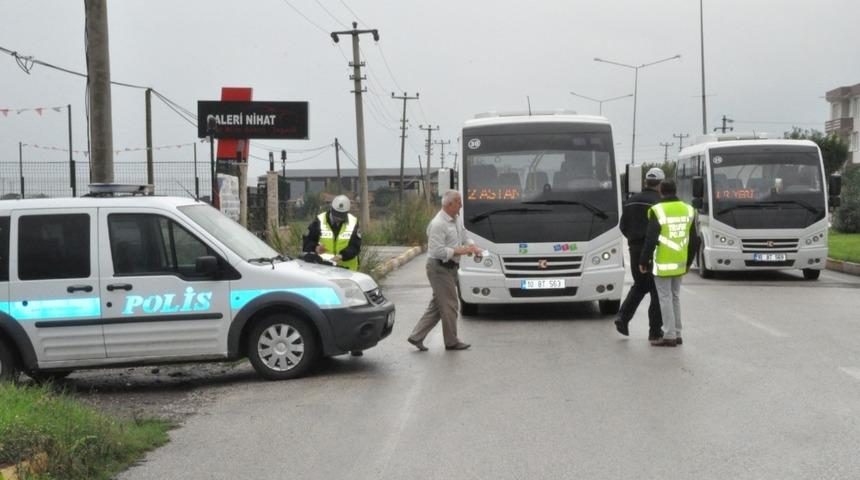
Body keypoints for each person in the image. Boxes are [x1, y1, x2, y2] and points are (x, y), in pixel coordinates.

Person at [408, 190, 481, 352]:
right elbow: (437, 251)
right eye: (458, 202)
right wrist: (459, 251)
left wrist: (472, 246)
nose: (461, 205)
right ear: (449, 204)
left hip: (451, 268)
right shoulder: (438, 224)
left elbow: (464, 235)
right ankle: (451, 341)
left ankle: (416, 336)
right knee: (450, 304)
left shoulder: (455, 219)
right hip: (438, 268)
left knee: (438, 305)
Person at [639, 180, 699, 347]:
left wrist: (643, 260)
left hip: (663, 262)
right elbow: (695, 239)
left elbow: (650, 239)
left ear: (660, 191)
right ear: (675, 190)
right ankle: (678, 333)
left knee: (664, 298)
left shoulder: (658, 210)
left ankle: (669, 335)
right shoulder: (688, 209)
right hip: (680, 262)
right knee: (675, 297)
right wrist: (689, 262)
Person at [615, 167, 664, 340]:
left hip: (634, 250)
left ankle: (622, 317)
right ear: (660, 184)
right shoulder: (660, 203)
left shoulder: (631, 200)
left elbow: (622, 225)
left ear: (646, 182)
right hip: (653, 251)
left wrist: (632, 240)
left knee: (640, 285)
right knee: (657, 291)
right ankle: (655, 331)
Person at [302, 194, 362, 271]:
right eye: (336, 214)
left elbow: (355, 246)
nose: (338, 218)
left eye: (341, 215)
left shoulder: (353, 222)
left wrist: (342, 256)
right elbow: (307, 241)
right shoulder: (319, 220)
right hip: (324, 270)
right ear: (331, 209)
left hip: (348, 270)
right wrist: (315, 248)